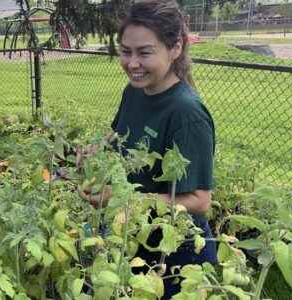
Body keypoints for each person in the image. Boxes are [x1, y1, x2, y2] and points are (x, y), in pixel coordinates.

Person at [80, 1, 217, 298]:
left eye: (144, 52)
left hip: (176, 254)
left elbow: (199, 201)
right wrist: (92, 151)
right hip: (137, 238)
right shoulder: (134, 91)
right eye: (125, 51)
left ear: (175, 48)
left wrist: (122, 199)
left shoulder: (186, 114)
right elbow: (118, 133)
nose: (132, 63)